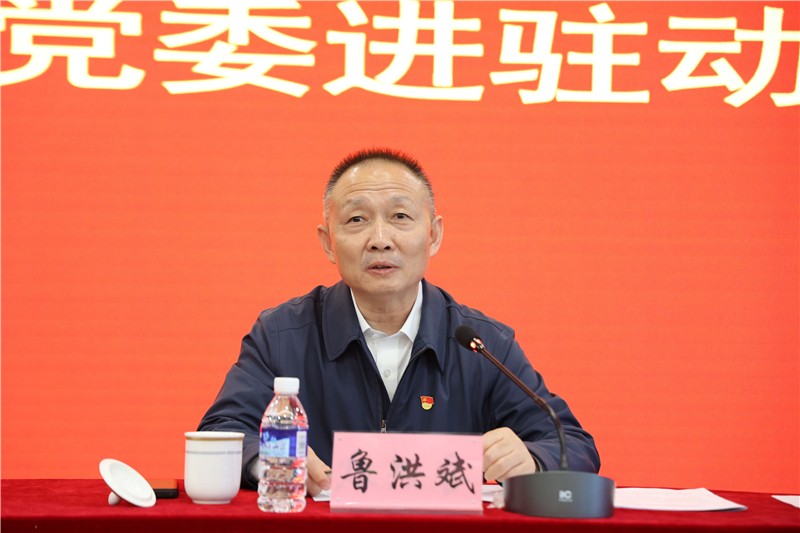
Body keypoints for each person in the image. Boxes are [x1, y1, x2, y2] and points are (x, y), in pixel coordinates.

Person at [198, 148, 600, 495]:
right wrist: (270, 458)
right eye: (357, 220)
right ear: (327, 243)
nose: (380, 239)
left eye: (400, 216)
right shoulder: (282, 335)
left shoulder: (482, 344)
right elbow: (220, 434)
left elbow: (574, 445)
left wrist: (532, 458)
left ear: (434, 235)